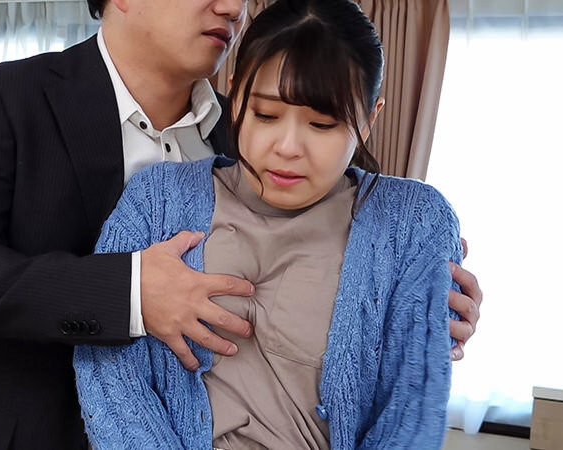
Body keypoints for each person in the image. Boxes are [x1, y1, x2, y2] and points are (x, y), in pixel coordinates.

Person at [0, 0, 481, 448]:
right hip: (9, 436)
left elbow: (350, 268)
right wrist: (132, 292)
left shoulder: (258, 130)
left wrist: (425, 312)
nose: (232, 8)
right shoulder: (8, 95)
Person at [75, 1, 462, 449]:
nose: (288, 147)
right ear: (235, 96)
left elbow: (412, 411)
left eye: (322, 123)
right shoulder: (156, 198)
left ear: (370, 118)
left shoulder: (413, 221)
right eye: (265, 115)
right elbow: (111, 372)